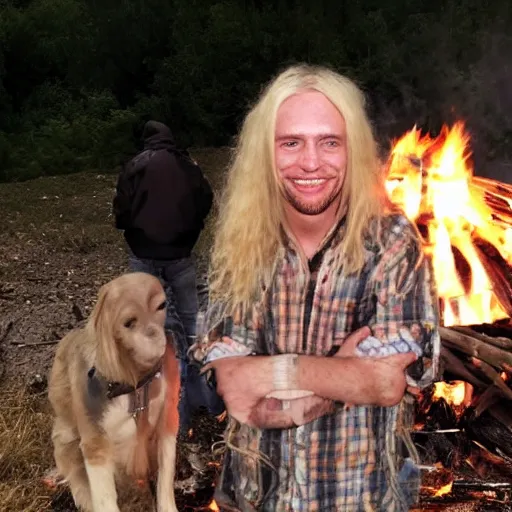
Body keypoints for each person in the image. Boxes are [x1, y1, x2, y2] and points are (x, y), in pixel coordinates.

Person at [192, 65, 440, 511]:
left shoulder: (392, 241)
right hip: (256, 496)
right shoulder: (243, 239)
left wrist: (273, 373)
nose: (310, 162)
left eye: (330, 142)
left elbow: (385, 382)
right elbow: (236, 388)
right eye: (291, 143)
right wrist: (340, 373)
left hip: (355, 498)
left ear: (353, 149)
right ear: (264, 153)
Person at [113, 120, 221, 431]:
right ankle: (204, 393)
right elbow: (205, 198)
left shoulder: (135, 165)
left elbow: (121, 209)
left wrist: (133, 228)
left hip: (144, 253)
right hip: (180, 254)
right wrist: (191, 229)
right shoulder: (187, 163)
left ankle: (156, 396)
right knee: (191, 319)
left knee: (147, 322)